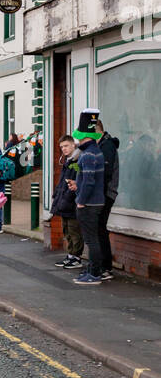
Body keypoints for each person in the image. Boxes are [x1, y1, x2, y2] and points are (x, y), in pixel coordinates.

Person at [71, 110, 106, 285]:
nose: (77, 141)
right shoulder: (94, 151)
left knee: (91, 240)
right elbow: (88, 180)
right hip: (94, 202)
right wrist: (78, 185)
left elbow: (89, 182)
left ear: (85, 137)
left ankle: (94, 274)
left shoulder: (88, 154)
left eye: (79, 137)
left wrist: (81, 202)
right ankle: (92, 270)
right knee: (92, 239)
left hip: (90, 204)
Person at [50, 134, 83, 271]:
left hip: (72, 202)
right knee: (67, 230)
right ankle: (70, 255)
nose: (64, 149)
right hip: (64, 201)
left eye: (66, 146)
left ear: (73, 145)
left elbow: (75, 182)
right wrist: (57, 195)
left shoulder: (77, 160)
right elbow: (62, 182)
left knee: (74, 230)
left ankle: (76, 257)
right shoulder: (68, 161)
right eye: (62, 147)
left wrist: (66, 198)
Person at [97, 118, 120, 280]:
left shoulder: (107, 146)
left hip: (105, 193)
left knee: (99, 228)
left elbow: (106, 173)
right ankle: (101, 265)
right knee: (97, 229)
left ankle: (105, 267)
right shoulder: (101, 145)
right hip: (101, 193)